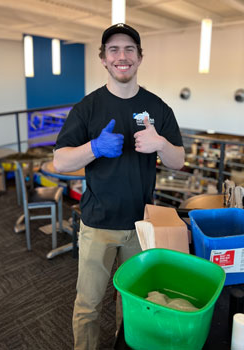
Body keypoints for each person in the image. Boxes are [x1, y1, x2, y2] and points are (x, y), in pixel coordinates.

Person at [53, 23, 185, 350]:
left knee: (133, 304)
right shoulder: (87, 108)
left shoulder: (159, 108)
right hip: (97, 222)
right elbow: (60, 162)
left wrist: (160, 143)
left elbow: (178, 160)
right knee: (88, 304)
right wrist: (94, 148)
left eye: (129, 49)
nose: (121, 56)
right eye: (113, 50)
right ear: (103, 58)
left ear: (140, 58)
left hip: (141, 225)